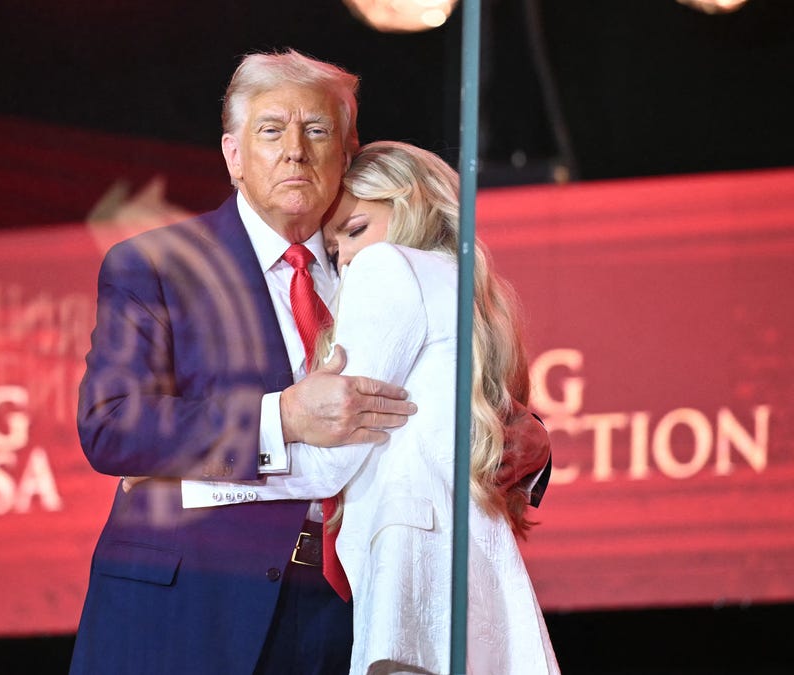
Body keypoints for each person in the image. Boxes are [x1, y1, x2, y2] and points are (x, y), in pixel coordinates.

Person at [70, 50, 551, 675]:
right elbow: (111, 424)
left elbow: (475, 399)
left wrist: (528, 439)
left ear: (347, 152)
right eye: (271, 130)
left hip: (351, 601)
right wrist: (282, 417)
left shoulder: (385, 259)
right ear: (233, 155)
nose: (294, 150)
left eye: (316, 130)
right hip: (193, 607)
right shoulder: (156, 265)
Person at [183, 141, 560, 674]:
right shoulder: (463, 283)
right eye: (334, 250)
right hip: (475, 572)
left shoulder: (387, 266)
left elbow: (333, 461)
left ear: (410, 203)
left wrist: (186, 475)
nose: (347, 258)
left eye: (355, 230)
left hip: (409, 575)